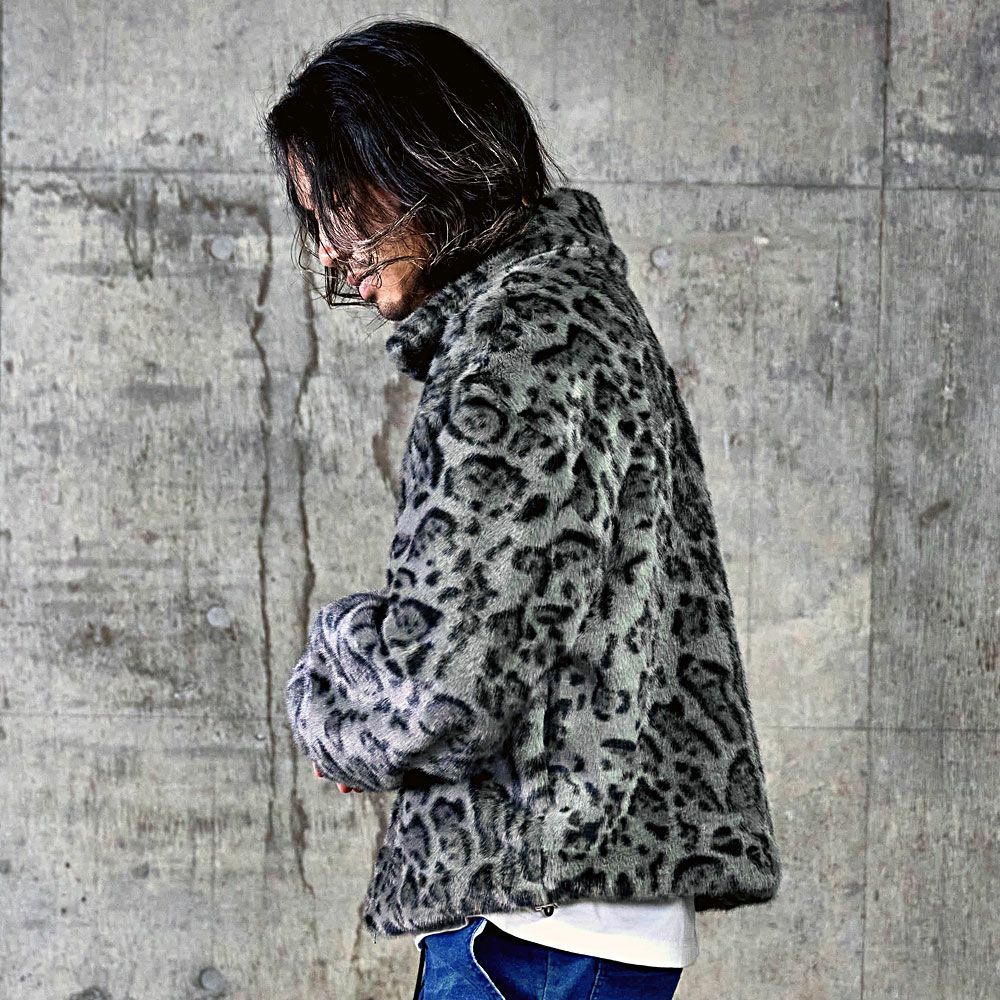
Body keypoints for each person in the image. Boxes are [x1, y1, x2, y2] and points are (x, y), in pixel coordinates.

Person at [263, 16, 782, 1000]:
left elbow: (449, 691)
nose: (329, 251)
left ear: (414, 163)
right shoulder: (571, 310)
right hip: (575, 910)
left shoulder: (517, 343)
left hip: (534, 927)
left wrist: (335, 688)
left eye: (333, 205)